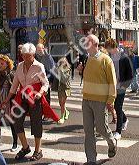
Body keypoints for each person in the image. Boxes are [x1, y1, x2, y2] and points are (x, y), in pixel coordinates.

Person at [1, 43, 59, 161]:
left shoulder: (39, 66)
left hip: (35, 98)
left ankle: (38, 150)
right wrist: (7, 100)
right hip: (22, 97)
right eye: (23, 55)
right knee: (16, 121)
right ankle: (25, 147)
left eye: (28, 56)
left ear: (33, 55)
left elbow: (45, 83)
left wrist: (40, 93)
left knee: (36, 123)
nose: (25, 58)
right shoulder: (19, 66)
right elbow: (15, 85)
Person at [77, 34, 117, 164]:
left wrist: (111, 100)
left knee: (101, 127)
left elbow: (112, 81)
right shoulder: (86, 59)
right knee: (88, 131)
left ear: (94, 44)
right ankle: (91, 160)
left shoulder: (106, 60)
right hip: (86, 99)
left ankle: (112, 142)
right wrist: (80, 71)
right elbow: (88, 75)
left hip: (100, 100)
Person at [105, 38, 133, 140]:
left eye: (108, 48)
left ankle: (118, 131)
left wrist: (124, 86)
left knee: (117, 106)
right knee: (116, 107)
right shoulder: (109, 57)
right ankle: (125, 120)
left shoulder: (124, 57)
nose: (107, 50)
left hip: (121, 87)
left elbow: (130, 74)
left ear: (113, 47)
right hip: (112, 86)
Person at [0, 54, 18, 151]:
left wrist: (8, 79)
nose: (0, 65)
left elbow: (15, 88)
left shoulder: (11, 74)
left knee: (12, 123)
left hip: (9, 102)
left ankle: (15, 143)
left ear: (7, 64)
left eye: (2, 63)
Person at [56, 57, 72, 124]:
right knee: (60, 103)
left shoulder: (67, 69)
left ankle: (62, 117)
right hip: (60, 88)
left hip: (66, 88)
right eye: (60, 63)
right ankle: (66, 112)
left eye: (63, 63)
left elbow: (65, 79)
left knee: (62, 103)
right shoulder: (58, 69)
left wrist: (61, 71)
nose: (61, 64)